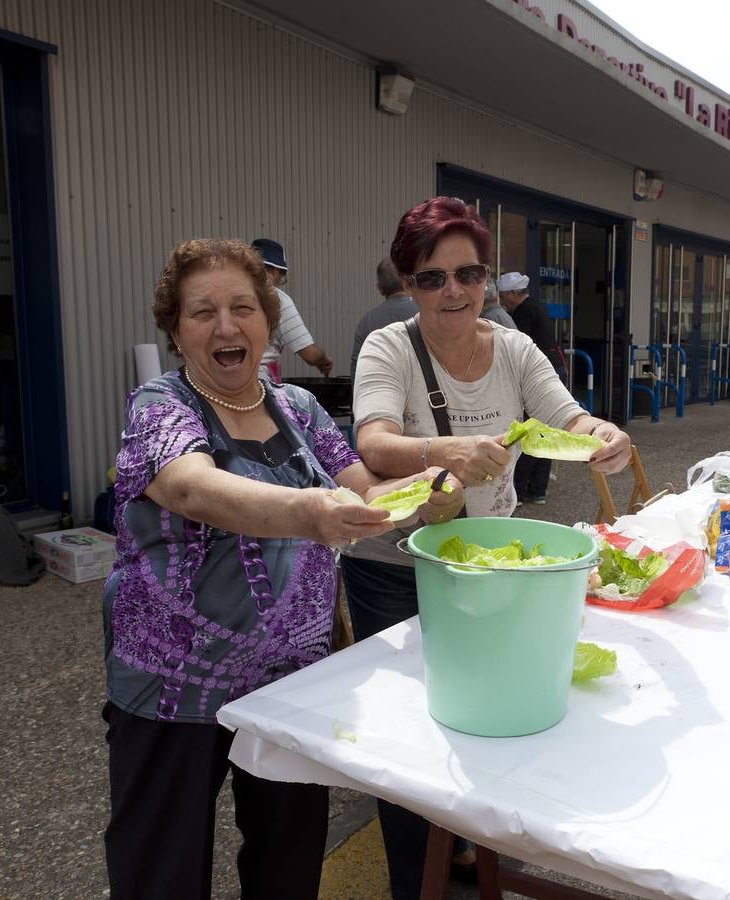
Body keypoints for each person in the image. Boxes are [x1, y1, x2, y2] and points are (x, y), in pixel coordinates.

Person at [101, 238, 464, 899]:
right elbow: (192, 489)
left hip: (292, 683)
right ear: (177, 331)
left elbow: (365, 491)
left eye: (243, 307)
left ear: (267, 321)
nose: (226, 326)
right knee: (162, 867)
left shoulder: (297, 409)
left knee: (289, 862)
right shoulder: (159, 406)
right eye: (202, 312)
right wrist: (310, 512)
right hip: (173, 686)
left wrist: (430, 491)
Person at [347, 197, 632, 900]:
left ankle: (473, 851)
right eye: (431, 278)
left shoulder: (512, 346)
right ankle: (419, 882)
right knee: (412, 740)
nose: (453, 292)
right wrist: (443, 448)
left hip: (487, 559)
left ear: (487, 278)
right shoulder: (389, 346)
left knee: (489, 711)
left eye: (467, 274)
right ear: (408, 283)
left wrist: (604, 436)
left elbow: (567, 414)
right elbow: (374, 440)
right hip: (397, 563)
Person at [497, 270, 567, 503]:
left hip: (540, 372)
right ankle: (538, 490)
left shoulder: (524, 313)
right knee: (543, 431)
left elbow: (519, 349)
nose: (502, 301)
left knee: (528, 431)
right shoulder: (536, 307)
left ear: (515, 293)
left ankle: (521, 487)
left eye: (504, 295)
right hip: (554, 366)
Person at [251, 238, 334, 380]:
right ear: (276, 270)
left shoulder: (231, 292)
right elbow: (310, 355)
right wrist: (324, 359)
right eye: (282, 276)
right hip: (258, 382)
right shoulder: (277, 299)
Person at [349, 257, 418, 375]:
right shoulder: (426, 314)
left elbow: (358, 368)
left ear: (380, 288)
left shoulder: (366, 322)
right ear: (408, 283)